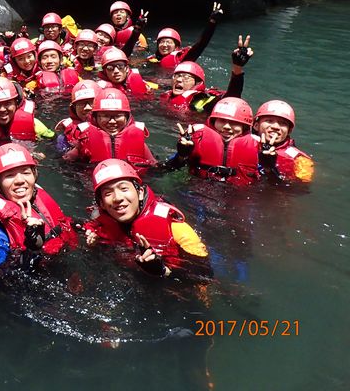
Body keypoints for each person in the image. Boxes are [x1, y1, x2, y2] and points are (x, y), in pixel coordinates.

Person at [0, 143, 78, 269]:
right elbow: (2, 281)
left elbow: (61, 223)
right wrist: (32, 250)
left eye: (25, 172)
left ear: (35, 175)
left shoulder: (33, 196)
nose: (19, 180)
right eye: (9, 175)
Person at [83, 159, 211, 280]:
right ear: (101, 204)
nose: (117, 198)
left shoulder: (175, 228)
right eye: (108, 193)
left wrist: (162, 270)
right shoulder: (100, 225)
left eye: (124, 189)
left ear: (140, 193)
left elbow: (205, 275)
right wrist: (95, 245)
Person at [168, 97, 261, 185]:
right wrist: (182, 154)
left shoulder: (258, 147)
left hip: (239, 196)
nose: (227, 127)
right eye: (222, 121)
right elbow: (168, 168)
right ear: (213, 121)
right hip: (197, 190)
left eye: (234, 123)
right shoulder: (196, 139)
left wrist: (268, 164)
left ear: (244, 127)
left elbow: (268, 179)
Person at [63, 89, 156, 169]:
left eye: (118, 116)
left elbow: (153, 164)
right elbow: (70, 158)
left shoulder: (137, 139)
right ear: (95, 118)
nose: (112, 121)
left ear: (127, 117)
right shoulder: (85, 138)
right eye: (105, 116)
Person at [159, 35, 253, 113]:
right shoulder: (165, 97)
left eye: (186, 77)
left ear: (197, 84)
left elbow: (231, 97)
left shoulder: (202, 103)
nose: (179, 80)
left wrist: (237, 67)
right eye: (177, 76)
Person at [253, 100, 314, 183]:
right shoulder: (241, 144)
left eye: (282, 123)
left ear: (289, 131)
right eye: (269, 121)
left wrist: (271, 170)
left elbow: (301, 190)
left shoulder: (301, 160)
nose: (275, 127)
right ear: (256, 125)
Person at [149, 3, 223, 69]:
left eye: (168, 42)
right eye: (161, 42)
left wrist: (212, 22)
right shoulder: (153, 59)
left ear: (176, 46)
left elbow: (201, 44)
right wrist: (137, 29)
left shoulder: (183, 58)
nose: (164, 45)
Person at [55, 80, 100, 151]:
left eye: (92, 102)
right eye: (81, 104)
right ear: (74, 108)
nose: (87, 108)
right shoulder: (64, 138)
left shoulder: (113, 128)